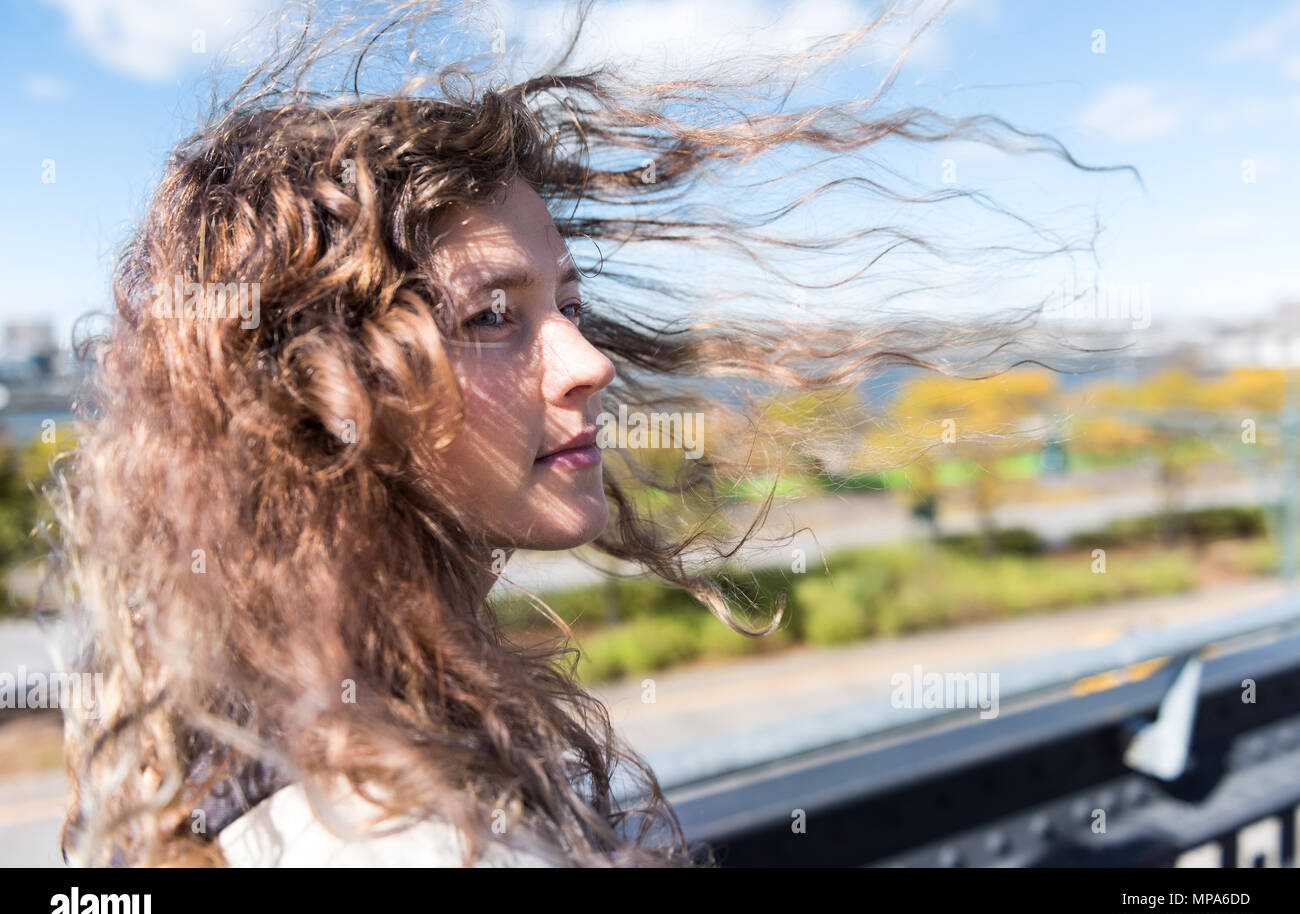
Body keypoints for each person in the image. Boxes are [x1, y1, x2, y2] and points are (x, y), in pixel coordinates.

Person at [44, 0, 1114, 867]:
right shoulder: (396, 833)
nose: (589, 361)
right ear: (321, 393)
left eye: (567, 299)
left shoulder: (253, 732)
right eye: (493, 316)